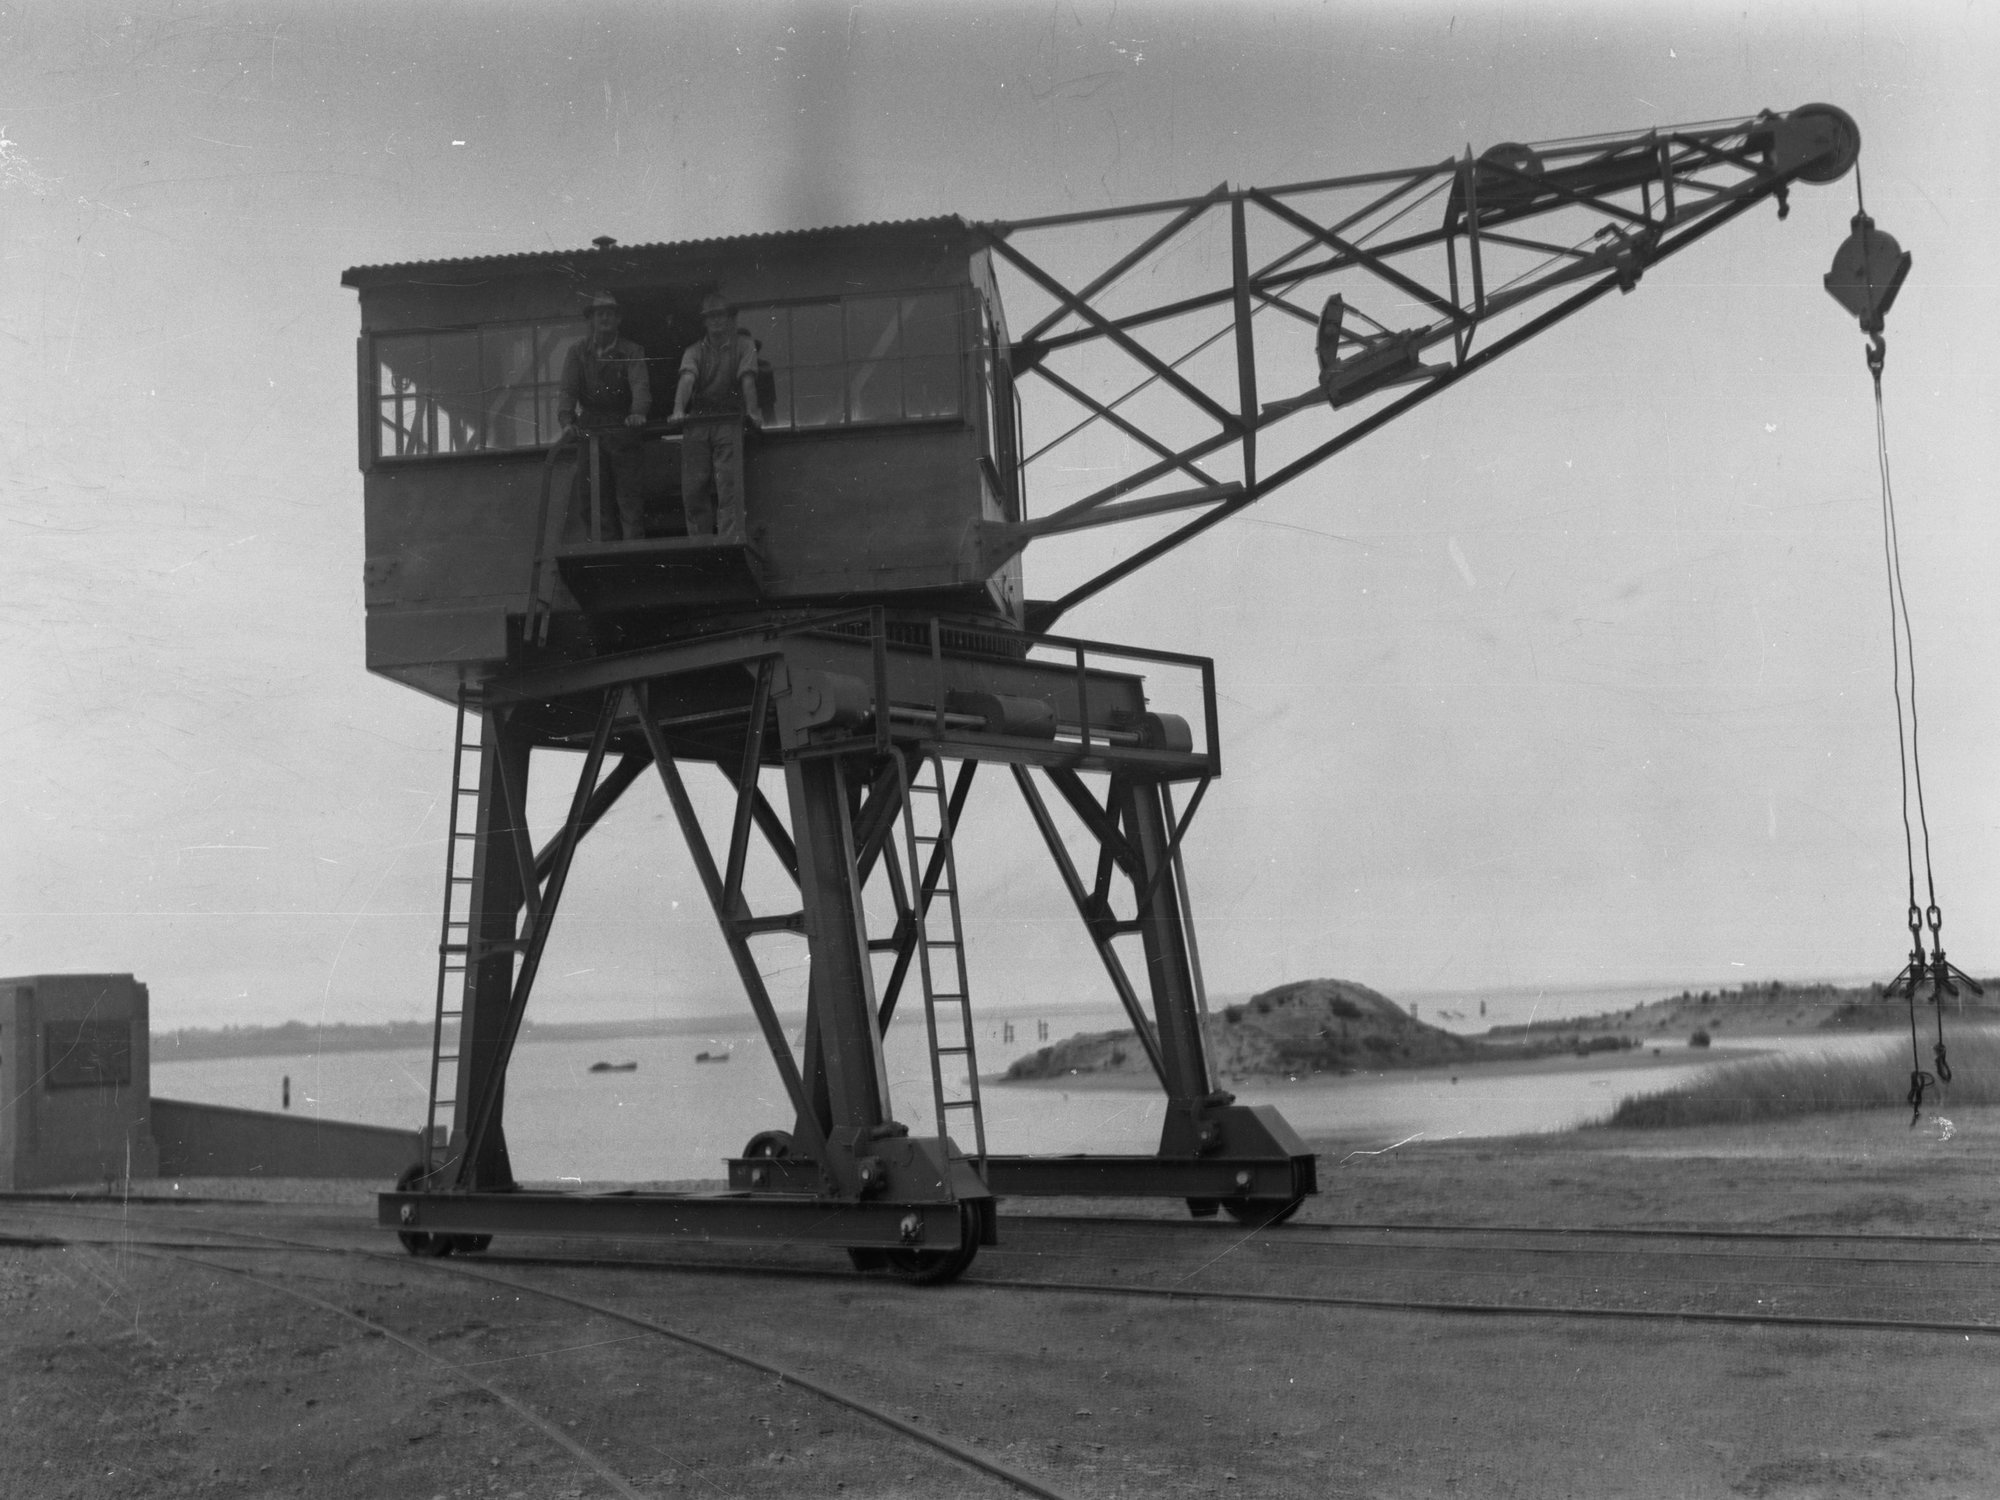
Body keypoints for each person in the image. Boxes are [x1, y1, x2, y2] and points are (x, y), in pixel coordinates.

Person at [556, 292, 652, 542]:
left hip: (622, 426)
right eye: (600, 314)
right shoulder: (577, 352)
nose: (605, 318)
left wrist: (637, 413)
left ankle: (633, 550)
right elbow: (568, 391)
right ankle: (602, 551)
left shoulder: (632, 351)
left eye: (610, 313)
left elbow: (640, 385)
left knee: (628, 494)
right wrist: (567, 422)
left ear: (618, 319)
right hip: (590, 428)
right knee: (593, 495)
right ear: (592, 319)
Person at [670, 291, 760, 543]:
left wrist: (753, 412)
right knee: (694, 488)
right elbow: (687, 378)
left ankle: (729, 542)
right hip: (699, 420)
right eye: (711, 316)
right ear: (705, 321)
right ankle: (699, 543)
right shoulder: (694, 351)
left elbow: (748, 379)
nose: (717, 320)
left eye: (721, 315)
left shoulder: (744, 346)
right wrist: (678, 409)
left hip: (729, 420)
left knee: (729, 486)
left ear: (730, 318)